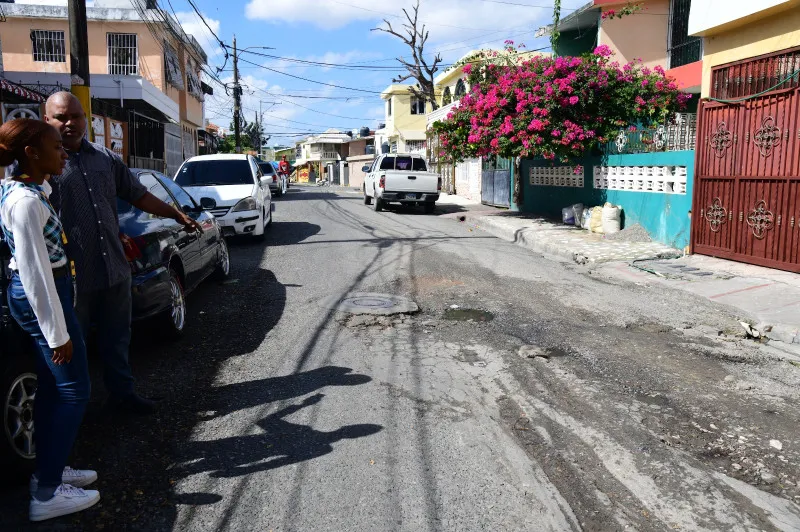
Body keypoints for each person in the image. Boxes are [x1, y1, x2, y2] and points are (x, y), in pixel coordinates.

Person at [42, 92, 202, 415]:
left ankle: (122, 396)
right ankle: (75, 414)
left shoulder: (105, 158)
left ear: (85, 119)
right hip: (72, 278)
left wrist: (175, 214)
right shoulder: (43, 164)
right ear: (47, 120)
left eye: (75, 116)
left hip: (114, 268)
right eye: (61, 117)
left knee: (117, 339)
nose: (69, 123)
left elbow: (138, 194)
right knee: (73, 347)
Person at [0, 118, 100, 521]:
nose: (64, 153)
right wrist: (57, 333)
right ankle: (45, 494)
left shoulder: (27, 190)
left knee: (51, 388)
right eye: (56, 147)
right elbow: (34, 272)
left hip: (47, 292)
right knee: (74, 390)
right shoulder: (23, 202)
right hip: (43, 295)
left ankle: (51, 470)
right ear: (32, 153)